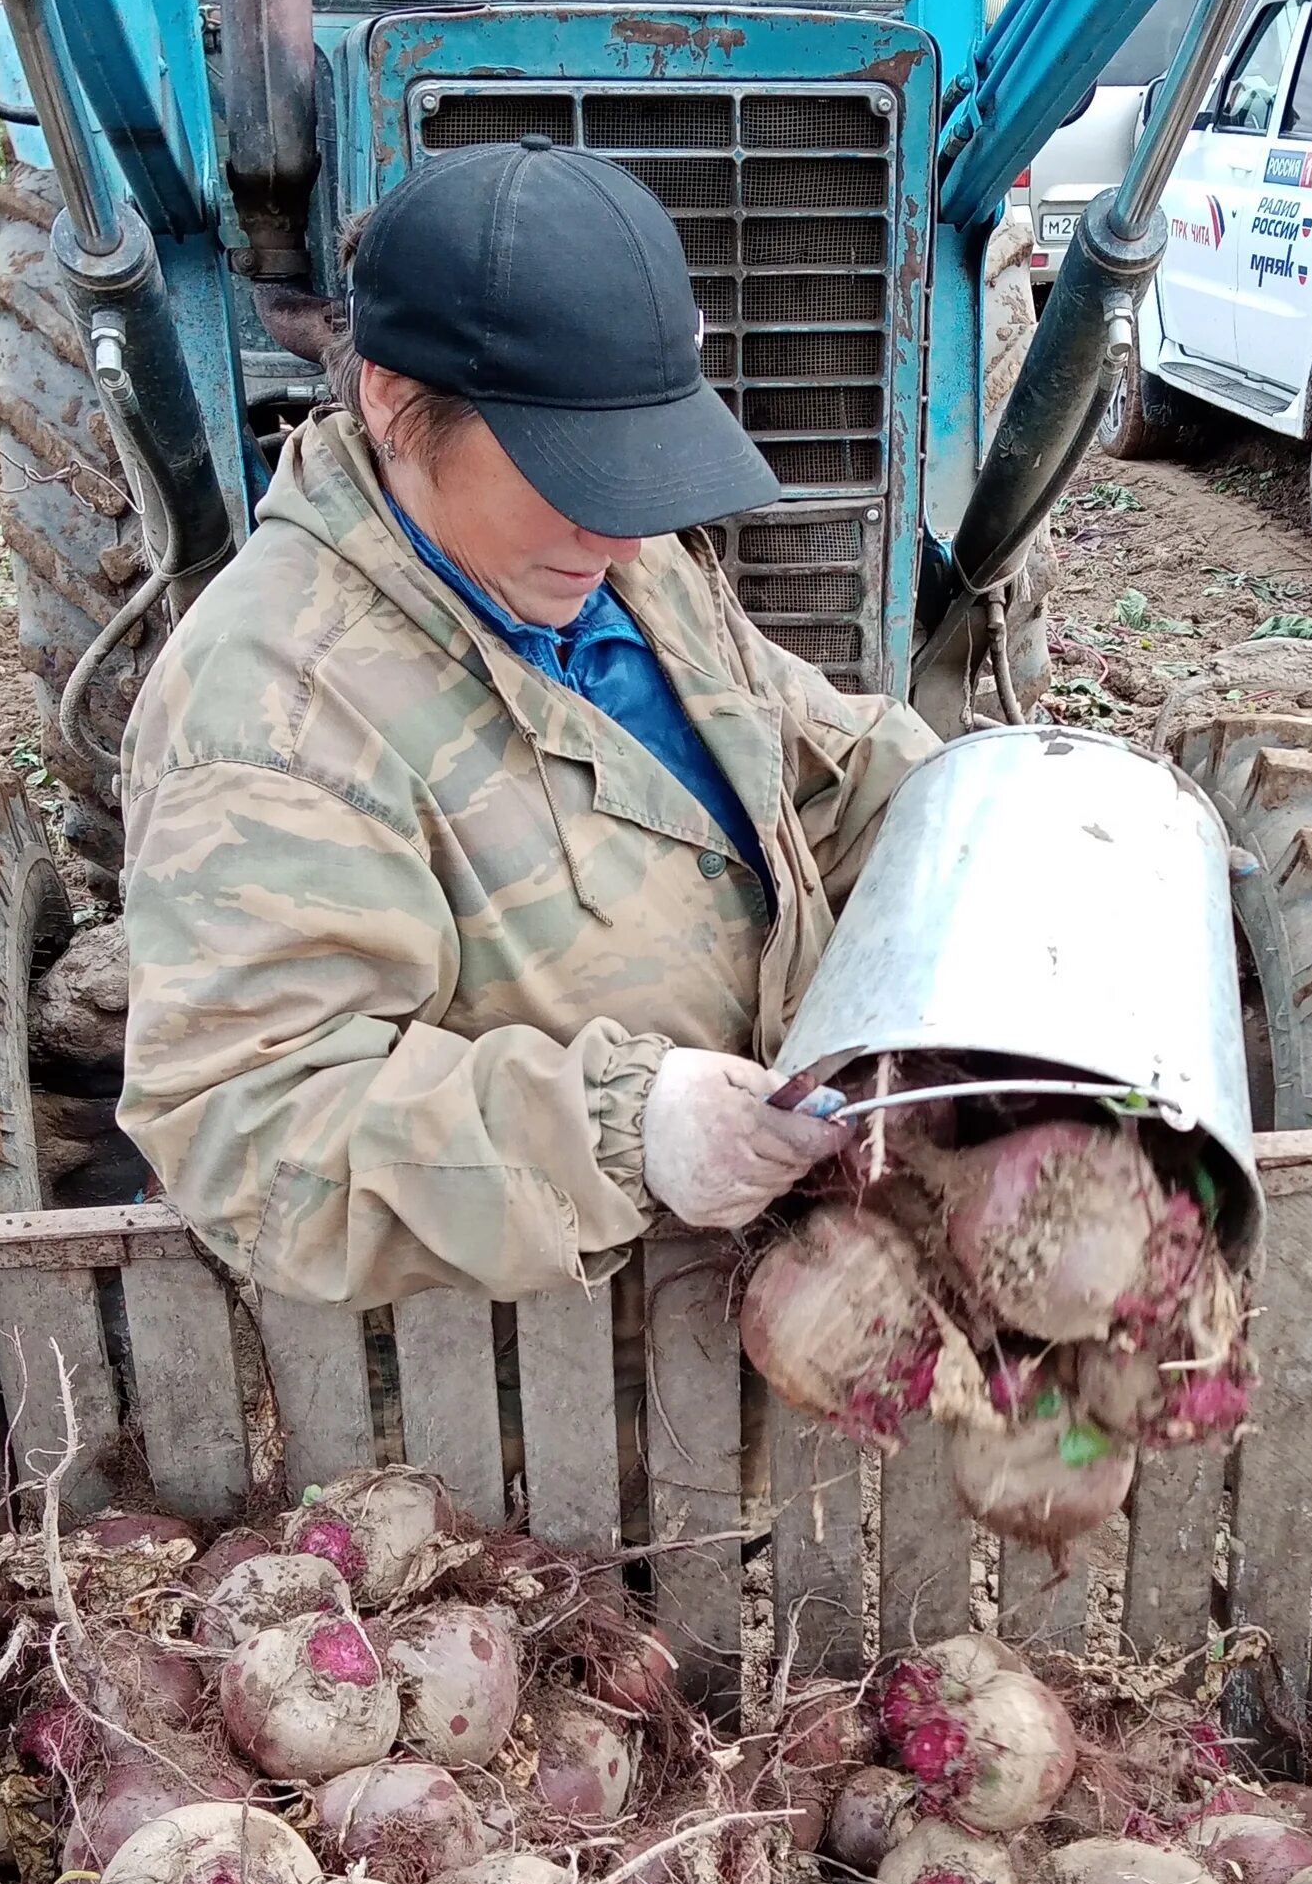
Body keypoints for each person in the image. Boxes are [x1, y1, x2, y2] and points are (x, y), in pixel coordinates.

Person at [114, 137, 937, 1306]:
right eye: (572, 474)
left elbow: (808, 762)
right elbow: (257, 1134)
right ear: (397, 405)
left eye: (633, 474)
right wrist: (621, 1130)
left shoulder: (611, 565)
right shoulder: (275, 724)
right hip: (541, 1358)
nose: (615, 534)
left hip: (763, 1278)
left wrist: (990, 812)